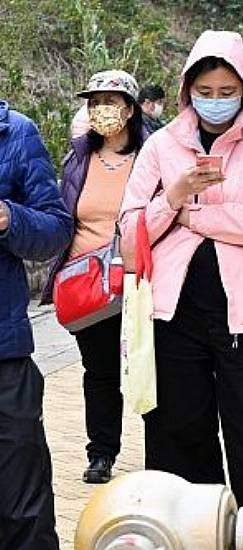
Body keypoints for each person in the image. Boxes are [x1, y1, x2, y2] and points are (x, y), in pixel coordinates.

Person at [117, 31, 243, 549]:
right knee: (177, 431)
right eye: (205, 87)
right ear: (188, 90)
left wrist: (190, 213)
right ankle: (189, 536)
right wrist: (175, 195)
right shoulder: (162, 146)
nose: (215, 97)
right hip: (174, 314)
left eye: (227, 87)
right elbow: (131, 228)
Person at [41, 69, 146, 485]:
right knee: (99, 372)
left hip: (138, 280)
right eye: (95, 102)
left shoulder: (150, 157)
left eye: (111, 102)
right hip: (90, 285)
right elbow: (63, 217)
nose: (102, 110)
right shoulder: (78, 159)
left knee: (149, 368)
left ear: (130, 110)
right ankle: (101, 452)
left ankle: (165, 448)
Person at [0, 99, 73, 550]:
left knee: (21, 505)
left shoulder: (16, 133)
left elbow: (55, 229)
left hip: (4, 355)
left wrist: (10, 218)